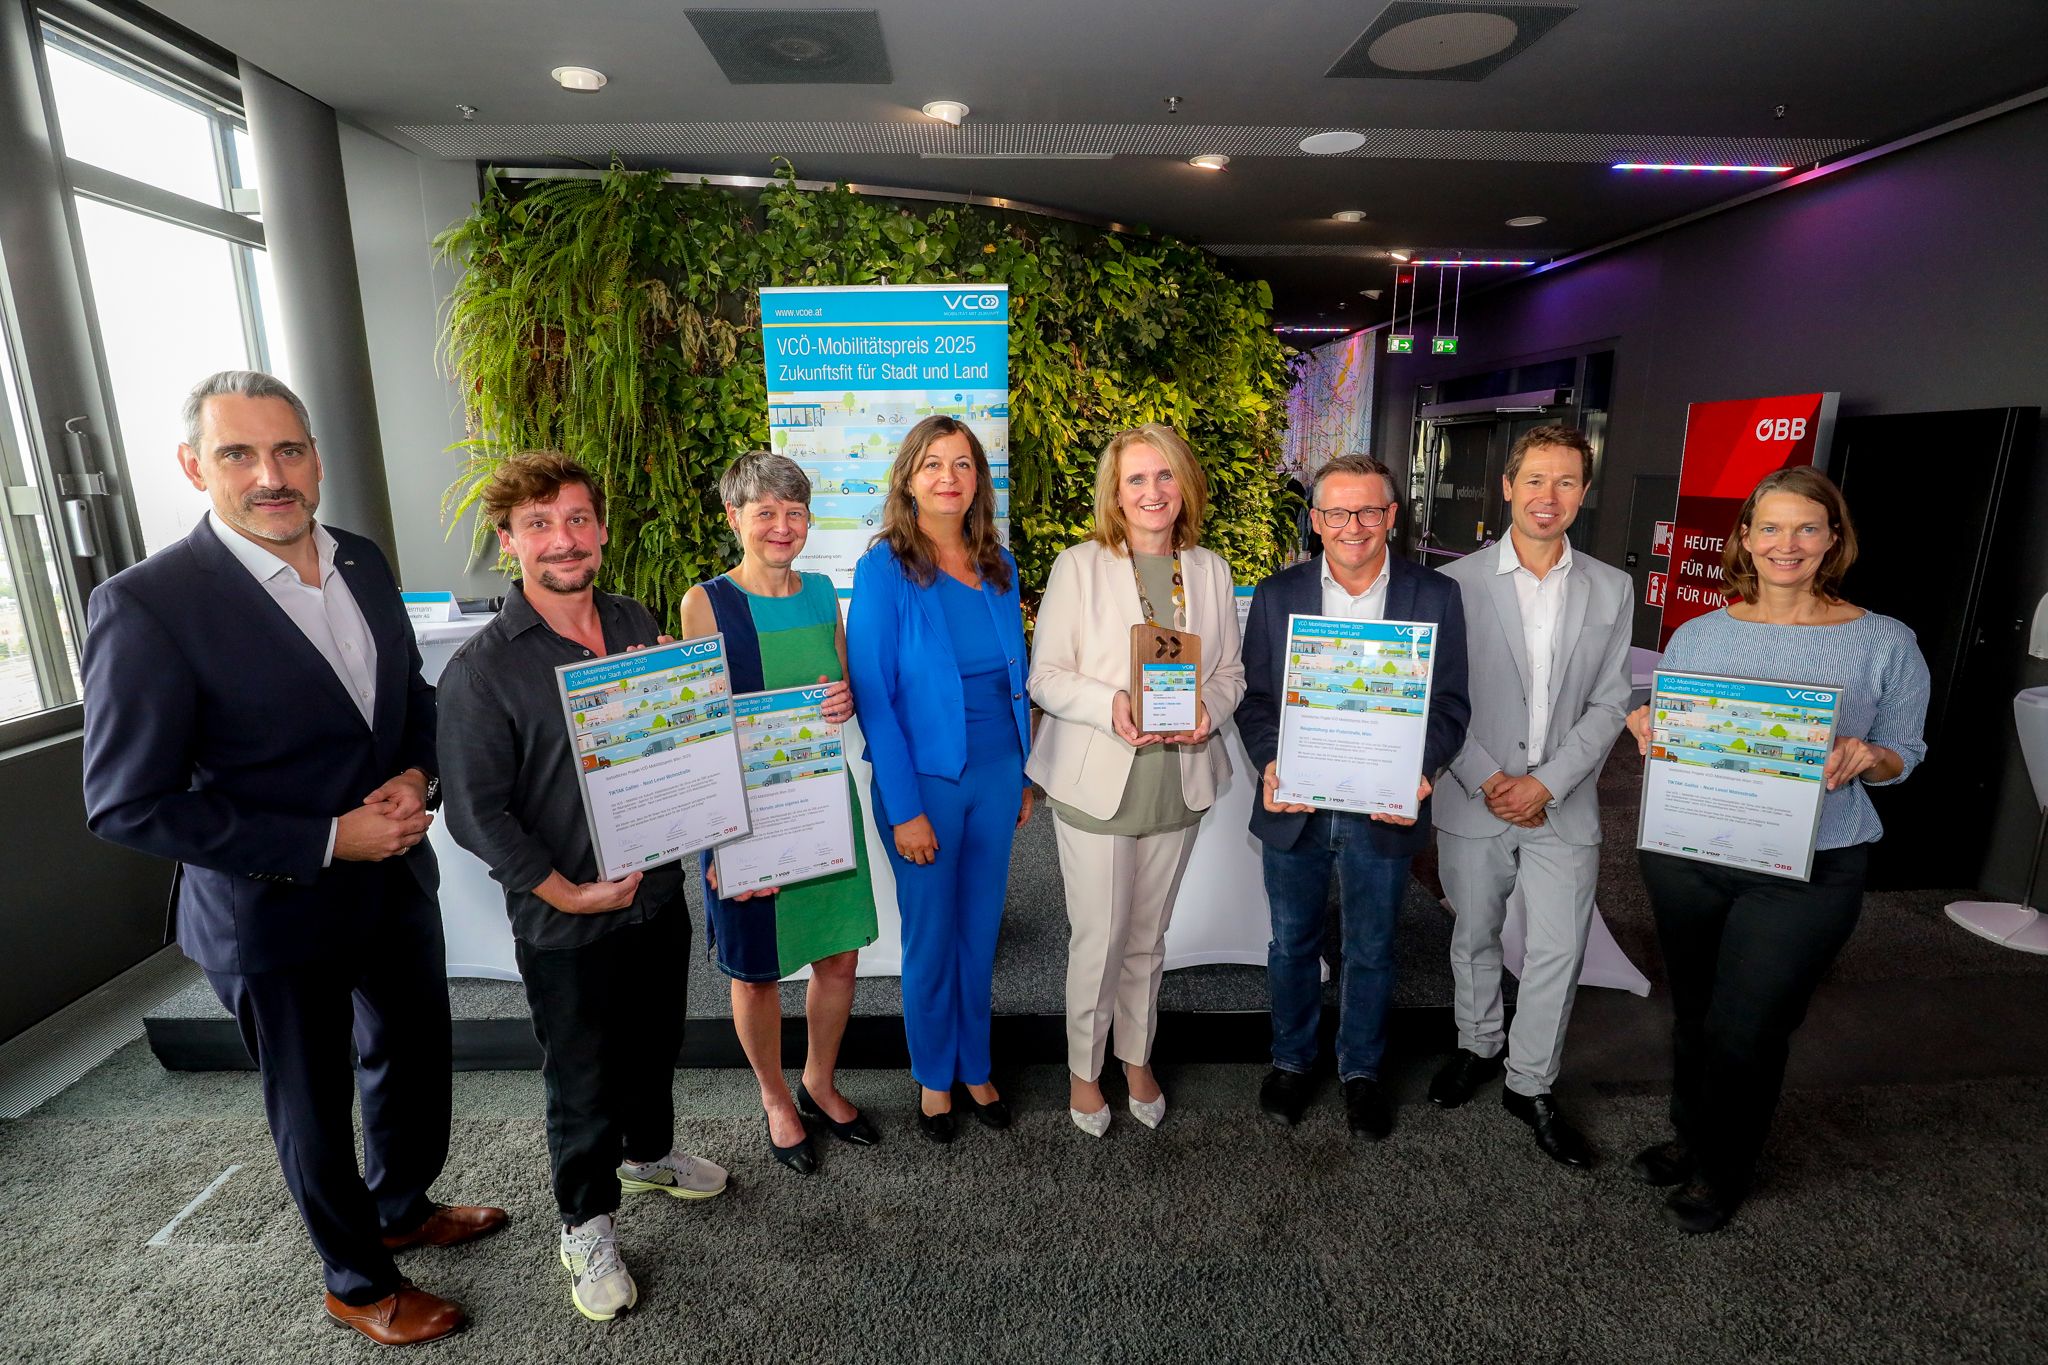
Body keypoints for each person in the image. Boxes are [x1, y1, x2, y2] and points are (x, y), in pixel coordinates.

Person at [80, 371, 503, 1347]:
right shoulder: (146, 605)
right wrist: (325, 838)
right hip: (269, 908)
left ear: (315, 459)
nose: (269, 475)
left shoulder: (360, 558)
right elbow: (127, 802)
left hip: (394, 878)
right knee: (310, 1103)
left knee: (411, 1058)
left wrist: (417, 775)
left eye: (288, 451)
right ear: (195, 467)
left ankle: (400, 1207)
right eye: (238, 453)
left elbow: (411, 700)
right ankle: (356, 1282)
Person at [438, 452, 727, 1322]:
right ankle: (585, 1221)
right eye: (539, 523)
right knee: (581, 1074)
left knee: (655, 1042)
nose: (562, 539)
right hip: (565, 918)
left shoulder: (635, 619)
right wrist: (563, 892)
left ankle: (647, 1157)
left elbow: (671, 744)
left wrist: (685, 695)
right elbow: (475, 812)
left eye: (576, 519)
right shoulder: (481, 669)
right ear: (508, 540)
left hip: (654, 895)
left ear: (601, 529)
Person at [1624, 465, 1928, 1233]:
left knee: (1750, 1024)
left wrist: (1869, 755)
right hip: (1691, 852)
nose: (1786, 543)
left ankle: (1723, 1167)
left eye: (1805, 527)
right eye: (1770, 527)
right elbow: (1675, 729)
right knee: (1694, 1011)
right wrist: (1649, 726)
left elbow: (1906, 752)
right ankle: (1692, 1134)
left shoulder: (1884, 642)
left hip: (1811, 868)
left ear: (1833, 538)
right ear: (1746, 537)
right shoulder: (1699, 633)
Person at [1237, 452, 1470, 1138]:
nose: (1353, 525)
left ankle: (1361, 1070)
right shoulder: (1278, 595)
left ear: (1391, 515)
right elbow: (1256, 701)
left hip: (1385, 806)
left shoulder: (1436, 596)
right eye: (1337, 512)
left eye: (1368, 510)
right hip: (1297, 807)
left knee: (1372, 947)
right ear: (1315, 521)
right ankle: (1291, 1060)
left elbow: (1451, 705)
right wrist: (1272, 763)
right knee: (1291, 943)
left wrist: (1419, 770)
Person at [1027, 425, 1246, 1136]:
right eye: (1136, 480)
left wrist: (1209, 710)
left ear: (1185, 484)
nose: (1153, 491)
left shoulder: (1209, 570)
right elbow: (1045, 676)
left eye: (1165, 475)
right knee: (1100, 937)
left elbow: (1230, 672)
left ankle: (1137, 1056)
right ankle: (1084, 1069)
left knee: (1149, 938)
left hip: (1177, 781)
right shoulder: (1079, 566)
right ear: (1115, 495)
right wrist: (1111, 704)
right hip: (1097, 782)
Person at [1430, 426, 1632, 1168]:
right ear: (1508, 486)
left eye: (1567, 481)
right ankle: (1477, 1044)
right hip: (1473, 792)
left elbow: (1611, 703)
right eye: (1536, 480)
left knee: (1559, 949)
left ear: (1584, 492)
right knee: (1474, 934)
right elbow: (1435, 697)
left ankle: (1530, 1082)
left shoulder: (1611, 587)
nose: (1550, 496)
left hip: (1564, 801)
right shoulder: (1451, 584)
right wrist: (1489, 778)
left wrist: (1546, 783)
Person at [680, 451, 880, 1175]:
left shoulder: (825, 593)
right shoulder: (706, 602)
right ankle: (774, 1097)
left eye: (795, 512)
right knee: (756, 971)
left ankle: (819, 1081)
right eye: (765, 512)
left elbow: (844, 685)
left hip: (821, 802)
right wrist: (714, 840)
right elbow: (696, 726)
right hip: (747, 814)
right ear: (734, 517)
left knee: (840, 956)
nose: (782, 526)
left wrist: (845, 698)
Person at [846, 415, 1032, 1143]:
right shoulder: (884, 568)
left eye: (962, 463)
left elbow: (1014, 678)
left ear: (978, 478)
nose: (948, 477)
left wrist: (1023, 776)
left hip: (998, 774)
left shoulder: (998, 564)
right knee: (930, 936)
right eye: (932, 464)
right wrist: (903, 807)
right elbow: (875, 695)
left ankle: (975, 1063)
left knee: (979, 932)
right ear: (909, 479)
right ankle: (932, 1075)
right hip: (924, 783)